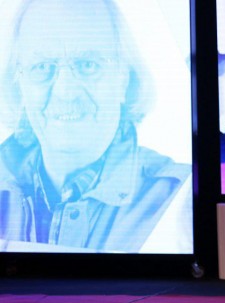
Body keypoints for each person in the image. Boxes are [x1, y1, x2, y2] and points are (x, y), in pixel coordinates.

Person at [0, 0, 191, 253]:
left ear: (123, 78)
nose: (66, 92)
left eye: (88, 65)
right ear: (19, 84)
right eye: (42, 67)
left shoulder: (181, 199)